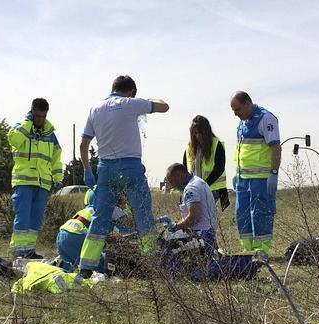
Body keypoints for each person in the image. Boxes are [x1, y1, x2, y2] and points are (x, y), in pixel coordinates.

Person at [78, 75, 169, 278]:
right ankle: (152, 262)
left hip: (105, 169)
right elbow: (165, 106)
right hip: (130, 167)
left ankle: (86, 264)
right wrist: (144, 100)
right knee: (143, 214)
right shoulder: (131, 104)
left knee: (100, 217)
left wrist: (87, 169)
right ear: (130, 92)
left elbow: (84, 144)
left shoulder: (95, 108)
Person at [7, 98, 63, 259]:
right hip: (24, 181)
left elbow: (56, 158)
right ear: (32, 113)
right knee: (23, 217)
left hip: (43, 183)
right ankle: (18, 252)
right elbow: (15, 141)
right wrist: (27, 123)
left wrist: (57, 176)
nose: (40, 119)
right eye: (37, 116)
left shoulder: (50, 135)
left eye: (43, 116)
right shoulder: (19, 129)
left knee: (36, 219)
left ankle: (29, 251)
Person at [231, 91, 281, 255]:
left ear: (247, 103)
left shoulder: (266, 119)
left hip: (260, 179)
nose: (235, 114)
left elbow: (275, 147)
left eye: (237, 109)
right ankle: (247, 251)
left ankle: (261, 252)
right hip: (242, 179)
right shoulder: (243, 123)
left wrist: (273, 173)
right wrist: (236, 174)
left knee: (260, 215)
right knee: (242, 214)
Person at [56, 192, 134, 272]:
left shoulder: (89, 209)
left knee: (72, 266)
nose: (125, 203)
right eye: (123, 199)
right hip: (78, 237)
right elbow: (128, 231)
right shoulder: (114, 209)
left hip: (62, 235)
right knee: (102, 268)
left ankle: (60, 264)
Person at [182, 115, 230, 211]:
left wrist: (204, 185)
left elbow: (219, 168)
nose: (198, 136)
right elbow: (184, 169)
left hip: (213, 188)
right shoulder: (189, 147)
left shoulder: (216, 144)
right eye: (195, 133)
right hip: (194, 188)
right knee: (194, 214)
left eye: (201, 132)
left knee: (203, 213)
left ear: (207, 131)